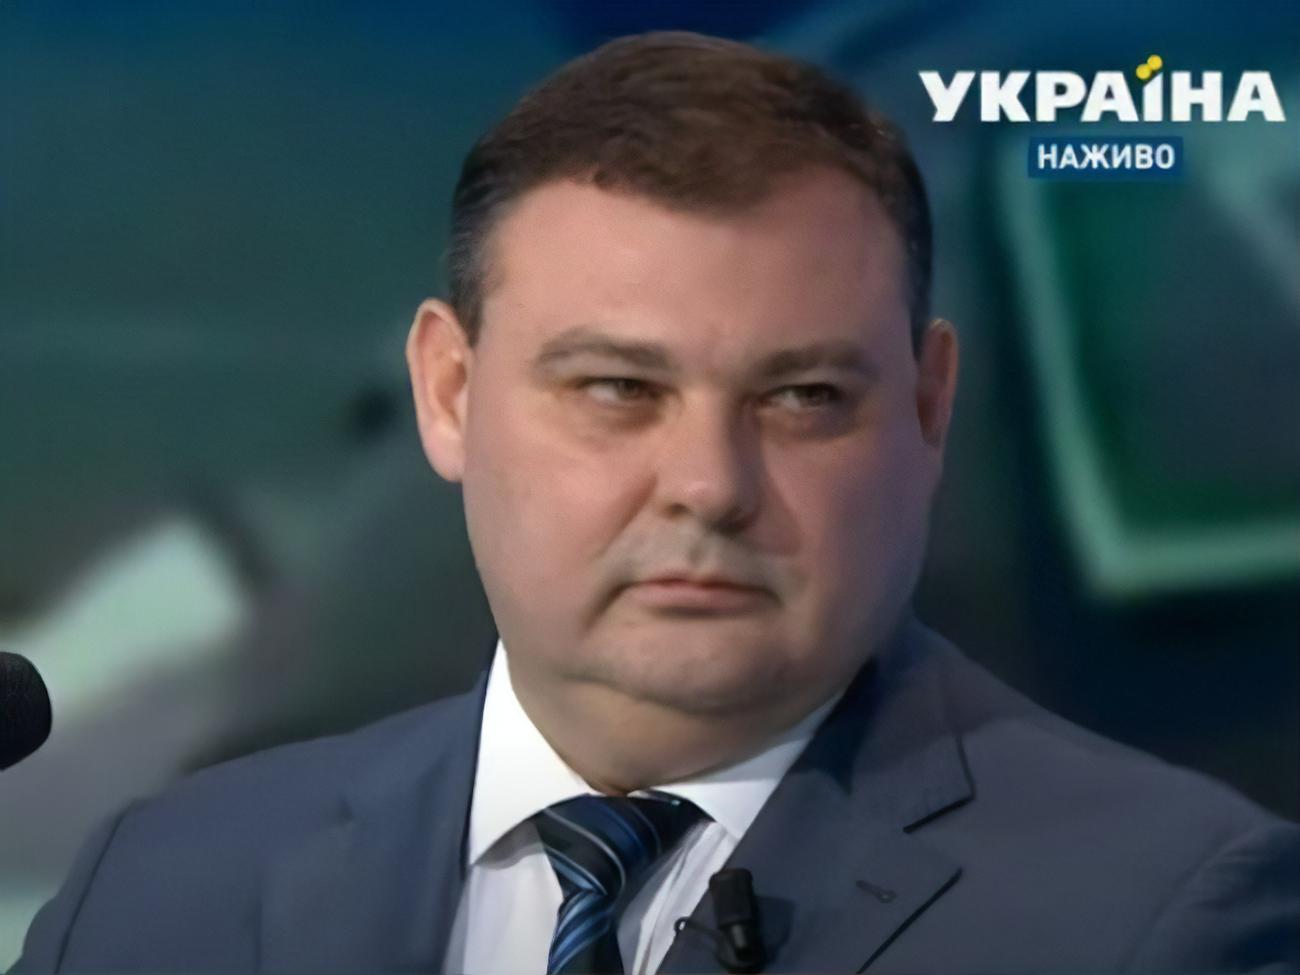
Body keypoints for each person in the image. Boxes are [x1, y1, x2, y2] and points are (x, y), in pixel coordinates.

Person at [12, 30, 1298, 975]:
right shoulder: (155, 891)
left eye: (801, 397)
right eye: (619, 389)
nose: (709, 485)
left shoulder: (1168, 922)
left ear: (926, 407)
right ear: (448, 393)